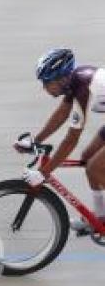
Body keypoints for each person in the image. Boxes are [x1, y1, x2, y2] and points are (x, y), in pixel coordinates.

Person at [15, 48, 105, 234]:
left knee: (94, 167)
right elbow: (62, 114)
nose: (45, 88)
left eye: (47, 82)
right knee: (88, 157)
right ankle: (101, 216)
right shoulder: (76, 80)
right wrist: (35, 140)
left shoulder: (82, 85)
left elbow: (72, 138)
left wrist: (43, 172)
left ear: (61, 78)